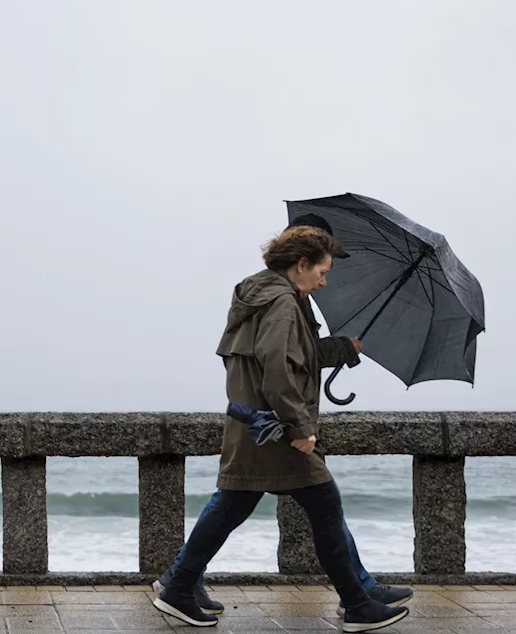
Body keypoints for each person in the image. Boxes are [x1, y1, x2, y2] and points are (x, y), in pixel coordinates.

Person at [152, 226, 410, 633]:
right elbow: (276, 369)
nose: (324, 282)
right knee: (325, 505)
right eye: (321, 272)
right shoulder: (283, 303)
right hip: (274, 429)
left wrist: (345, 348)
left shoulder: (259, 295)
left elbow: (291, 356)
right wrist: (299, 426)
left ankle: (179, 583)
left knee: (231, 504)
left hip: (252, 424)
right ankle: (358, 604)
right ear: (300, 265)